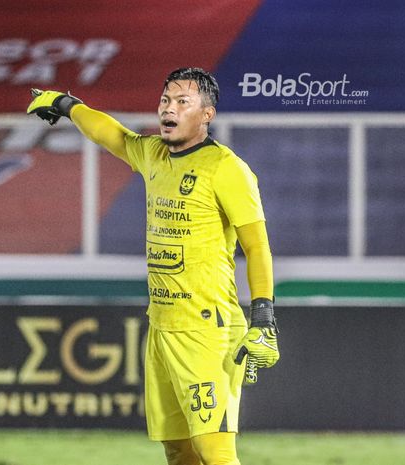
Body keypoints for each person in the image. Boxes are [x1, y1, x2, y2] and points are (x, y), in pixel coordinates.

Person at [27, 67, 279, 465]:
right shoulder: (154, 155)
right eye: (165, 100)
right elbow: (110, 134)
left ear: (206, 115)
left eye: (183, 102)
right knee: (178, 451)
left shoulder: (227, 169)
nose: (170, 109)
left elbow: (257, 246)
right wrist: (66, 104)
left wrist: (263, 317)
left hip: (206, 330)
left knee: (216, 451)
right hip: (162, 326)